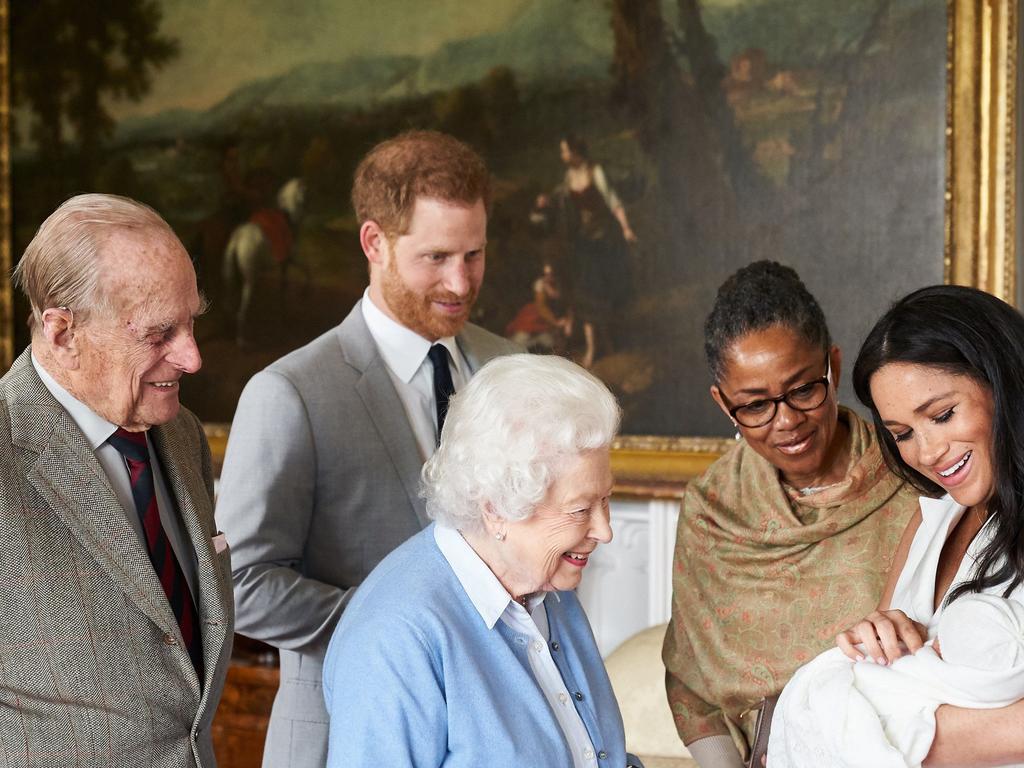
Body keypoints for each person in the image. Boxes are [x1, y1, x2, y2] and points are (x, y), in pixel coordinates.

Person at [215, 130, 520, 768]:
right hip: (340, 735)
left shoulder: (509, 365)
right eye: (436, 257)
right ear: (374, 242)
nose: (461, 283)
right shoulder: (288, 393)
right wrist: (406, 622)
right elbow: (239, 583)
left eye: (475, 255)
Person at [0, 194, 233, 766]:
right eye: (158, 334)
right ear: (62, 332)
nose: (192, 358)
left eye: (191, 323)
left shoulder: (182, 437)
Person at [662, 261, 920, 768]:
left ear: (834, 367)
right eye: (755, 406)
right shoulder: (712, 511)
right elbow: (691, 687)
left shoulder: (913, 479)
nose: (787, 423)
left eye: (804, 389)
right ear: (722, 404)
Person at [323, 354, 636, 767]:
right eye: (580, 509)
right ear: (497, 508)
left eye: (606, 500)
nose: (604, 530)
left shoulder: (549, 586)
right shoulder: (395, 637)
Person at [833, 284, 1024, 766]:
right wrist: (885, 633)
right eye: (902, 434)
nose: (927, 452)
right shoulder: (931, 518)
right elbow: (876, 678)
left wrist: (898, 733)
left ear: (1002, 381)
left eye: (942, 415)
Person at [771, 593, 1024, 767]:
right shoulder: (931, 518)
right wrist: (880, 636)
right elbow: (878, 644)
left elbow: (880, 746)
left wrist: (811, 736)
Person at [534, 135, 636, 368]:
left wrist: (626, 228)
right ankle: (593, 348)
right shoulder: (569, 177)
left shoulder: (595, 172)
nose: (562, 156)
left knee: (602, 291)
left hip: (604, 240)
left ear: (575, 152)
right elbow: (559, 197)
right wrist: (545, 201)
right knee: (585, 292)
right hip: (584, 243)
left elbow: (613, 201)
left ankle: (610, 343)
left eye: (565, 151)